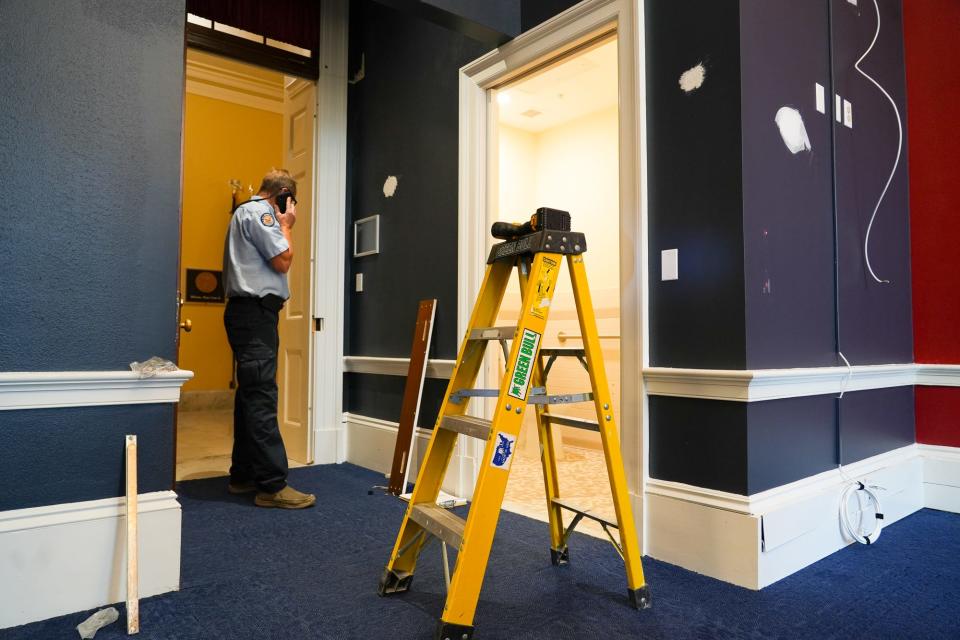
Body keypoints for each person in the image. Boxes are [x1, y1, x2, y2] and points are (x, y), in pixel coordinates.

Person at [222, 169, 315, 509]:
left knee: (250, 394)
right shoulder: (261, 213)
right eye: (291, 202)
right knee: (261, 395)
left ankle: (243, 474)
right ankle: (272, 486)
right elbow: (283, 260)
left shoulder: (242, 213)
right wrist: (286, 224)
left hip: (249, 314)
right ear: (284, 197)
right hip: (255, 314)